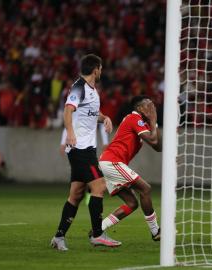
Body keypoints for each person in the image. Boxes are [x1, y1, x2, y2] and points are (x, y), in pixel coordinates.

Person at [50, 54, 120, 251]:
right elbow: (67, 110)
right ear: (96, 69)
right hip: (80, 148)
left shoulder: (92, 90)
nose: (102, 71)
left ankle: (59, 237)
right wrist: (70, 134)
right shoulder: (79, 86)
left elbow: (90, 113)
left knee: (76, 194)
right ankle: (98, 234)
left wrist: (104, 117)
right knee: (99, 186)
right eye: (101, 68)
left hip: (86, 147)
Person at [99, 95, 162, 241]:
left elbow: (158, 147)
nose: (152, 107)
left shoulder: (143, 124)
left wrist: (154, 122)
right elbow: (153, 140)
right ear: (139, 108)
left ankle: (98, 230)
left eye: (153, 105)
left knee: (132, 203)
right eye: (148, 105)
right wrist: (153, 120)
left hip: (109, 162)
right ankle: (155, 232)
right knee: (145, 189)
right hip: (112, 161)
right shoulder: (134, 118)